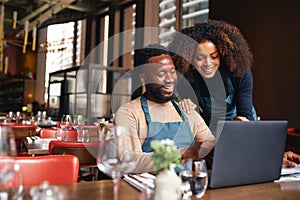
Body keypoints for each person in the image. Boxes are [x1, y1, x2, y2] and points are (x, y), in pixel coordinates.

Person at [114, 44, 215, 173]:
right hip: (150, 189)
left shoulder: (186, 110)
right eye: (161, 74)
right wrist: (184, 154)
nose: (170, 79)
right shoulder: (129, 113)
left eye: (172, 72)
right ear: (144, 79)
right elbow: (129, 160)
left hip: (189, 185)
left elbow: (210, 147)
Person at [168, 20, 257, 134]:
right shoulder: (186, 77)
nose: (208, 63)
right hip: (211, 129)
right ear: (189, 59)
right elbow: (195, 118)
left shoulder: (238, 72)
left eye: (214, 57)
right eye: (200, 58)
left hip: (242, 126)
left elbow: (245, 114)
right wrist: (186, 107)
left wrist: (241, 122)